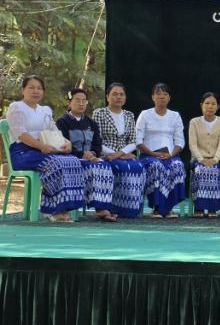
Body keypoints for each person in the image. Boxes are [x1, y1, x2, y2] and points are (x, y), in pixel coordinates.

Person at [5, 75, 83, 222]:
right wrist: (42, 146)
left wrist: (67, 143)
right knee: (55, 162)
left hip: (44, 150)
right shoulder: (16, 107)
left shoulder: (45, 110)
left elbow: (55, 131)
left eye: (39, 88)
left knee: (72, 160)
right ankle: (53, 209)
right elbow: (21, 134)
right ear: (23, 90)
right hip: (22, 152)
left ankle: (64, 207)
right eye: (31, 87)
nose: (36, 91)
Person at [56, 88, 117, 222]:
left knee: (104, 166)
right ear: (69, 102)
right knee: (92, 168)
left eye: (84, 101)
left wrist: (93, 153)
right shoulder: (62, 122)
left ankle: (102, 208)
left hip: (91, 158)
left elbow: (97, 144)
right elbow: (61, 144)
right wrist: (81, 154)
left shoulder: (91, 123)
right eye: (77, 100)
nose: (81, 103)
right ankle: (88, 208)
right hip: (71, 159)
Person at [92, 82, 146, 218]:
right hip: (105, 154)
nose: (118, 97)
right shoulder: (99, 113)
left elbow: (133, 141)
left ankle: (130, 209)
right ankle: (112, 207)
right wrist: (115, 154)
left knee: (138, 166)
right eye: (115, 94)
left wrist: (120, 154)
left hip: (123, 154)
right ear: (107, 97)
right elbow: (96, 141)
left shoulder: (129, 115)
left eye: (121, 94)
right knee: (121, 166)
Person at [136, 83, 186, 218]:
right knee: (156, 166)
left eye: (165, 94)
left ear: (169, 98)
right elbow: (138, 141)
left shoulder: (175, 116)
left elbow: (180, 142)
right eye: (158, 94)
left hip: (170, 155)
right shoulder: (145, 115)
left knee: (177, 165)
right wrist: (154, 154)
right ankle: (157, 208)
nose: (161, 97)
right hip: (149, 155)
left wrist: (171, 155)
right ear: (153, 97)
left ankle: (168, 208)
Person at [188, 92, 220, 218]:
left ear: (218, 106)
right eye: (207, 103)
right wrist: (201, 159)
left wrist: (215, 159)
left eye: (213, 104)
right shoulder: (194, 122)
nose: (210, 106)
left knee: (213, 170)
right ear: (201, 105)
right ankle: (199, 207)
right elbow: (192, 144)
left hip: (218, 160)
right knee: (201, 169)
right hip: (198, 160)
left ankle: (212, 208)